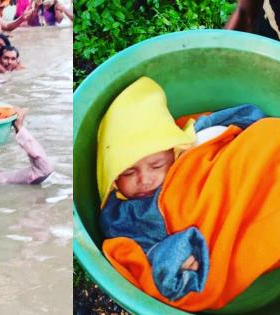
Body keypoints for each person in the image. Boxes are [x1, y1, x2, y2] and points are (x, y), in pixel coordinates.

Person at [97, 77, 269, 301]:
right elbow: (143, 248)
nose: (145, 179)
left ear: (174, 153)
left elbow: (242, 119)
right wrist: (174, 257)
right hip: (217, 244)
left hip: (242, 192)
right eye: (128, 173)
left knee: (270, 135)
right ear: (111, 178)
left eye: (157, 165)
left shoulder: (192, 145)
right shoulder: (124, 215)